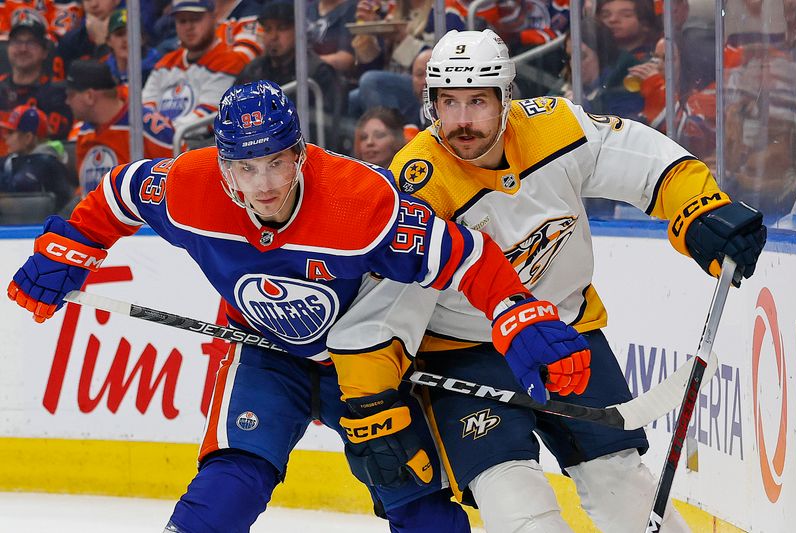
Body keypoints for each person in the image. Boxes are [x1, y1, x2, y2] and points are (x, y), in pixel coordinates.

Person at [7, 79, 594, 532]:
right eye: (245, 167)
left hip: (360, 358)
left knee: (410, 489)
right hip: (265, 352)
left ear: (300, 155)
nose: (263, 184)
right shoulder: (189, 188)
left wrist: (520, 315)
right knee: (233, 476)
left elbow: (462, 255)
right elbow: (119, 193)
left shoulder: (359, 202)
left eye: (276, 163)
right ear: (223, 166)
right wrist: (70, 247)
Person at [334, 29, 766, 533]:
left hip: (566, 332)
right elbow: (387, 299)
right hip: (463, 351)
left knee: (622, 485)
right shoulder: (417, 181)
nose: (463, 120)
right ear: (431, 105)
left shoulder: (555, 127)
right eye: (448, 103)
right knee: (517, 506)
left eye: (477, 101)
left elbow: (644, 162)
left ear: (506, 98)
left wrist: (699, 208)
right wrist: (374, 397)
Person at [236, 0, 343, 148]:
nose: (273, 36)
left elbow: (328, 130)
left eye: (281, 28)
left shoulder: (317, 72)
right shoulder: (253, 71)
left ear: (298, 29)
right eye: (268, 29)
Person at [65, 60, 174, 195]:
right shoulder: (84, 132)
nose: (67, 101)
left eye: (71, 95)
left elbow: (180, 174)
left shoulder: (147, 126)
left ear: (89, 96)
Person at [142, 0, 248, 134]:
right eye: (182, 21)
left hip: (200, 146)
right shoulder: (165, 63)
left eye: (195, 19)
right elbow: (145, 106)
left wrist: (161, 133)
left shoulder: (229, 60)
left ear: (214, 17)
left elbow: (206, 119)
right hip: (163, 143)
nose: (189, 27)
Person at [0, 14, 72, 154]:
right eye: (16, 42)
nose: (23, 49)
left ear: (45, 52)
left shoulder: (57, 94)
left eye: (31, 43)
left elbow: (53, 141)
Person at [0, 103, 75, 212]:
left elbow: (20, 187)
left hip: (45, 224)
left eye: (11, 132)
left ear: (28, 137)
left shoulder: (46, 162)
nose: (5, 137)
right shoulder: (15, 158)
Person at [104, 9, 162, 86]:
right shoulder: (103, 72)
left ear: (143, 39)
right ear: (108, 41)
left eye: (132, 33)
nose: (126, 39)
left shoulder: (159, 69)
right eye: (119, 34)